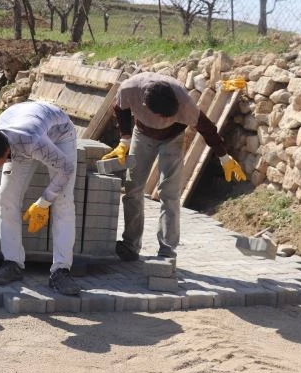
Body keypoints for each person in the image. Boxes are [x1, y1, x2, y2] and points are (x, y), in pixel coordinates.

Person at [103, 72, 246, 261]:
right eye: (162, 116)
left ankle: (167, 250)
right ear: (145, 105)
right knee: (132, 189)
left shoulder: (183, 102)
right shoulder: (130, 89)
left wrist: (224, 157)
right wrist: (125, 140)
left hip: (172, 138)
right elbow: (119, 108)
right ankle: (130, 245)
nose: (163, 119)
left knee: (169, 194)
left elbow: (206, 127)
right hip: (142, 134)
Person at [0, 101, 81, 296]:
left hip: (59, 133)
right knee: (6, 196)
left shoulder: (31, 141)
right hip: (22, 132)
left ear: (5, 154)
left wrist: (43, 203)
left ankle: (61, 271)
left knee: (63, 200)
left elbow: (66, 168)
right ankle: (13, 262)